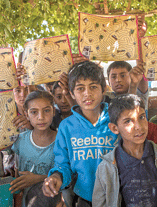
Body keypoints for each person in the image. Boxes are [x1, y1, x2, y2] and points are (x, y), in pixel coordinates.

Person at [42, 61, 118, 206]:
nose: (87, 93)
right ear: (71, 93)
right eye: (80, 88)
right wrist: (56, 177)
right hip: (84, 199)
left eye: (93, 87)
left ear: (104, 89)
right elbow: (63, 164)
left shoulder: (117, 120)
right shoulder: (66, 127)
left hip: (118, 196)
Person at [92, 94, 157, 207]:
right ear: (115, 128)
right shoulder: (107, 166)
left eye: (141, 117)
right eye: (128, 121)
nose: (138, 126)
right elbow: (99, 203)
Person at [9, 90, 57, 205]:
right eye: (34, 112)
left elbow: (68, 174)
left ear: (54, 111)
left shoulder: (61, 141)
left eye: (46, 110)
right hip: (27, 202)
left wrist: (38, 178)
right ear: (26, 114)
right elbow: (17, 170)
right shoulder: (20, 140)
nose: (41, 117)